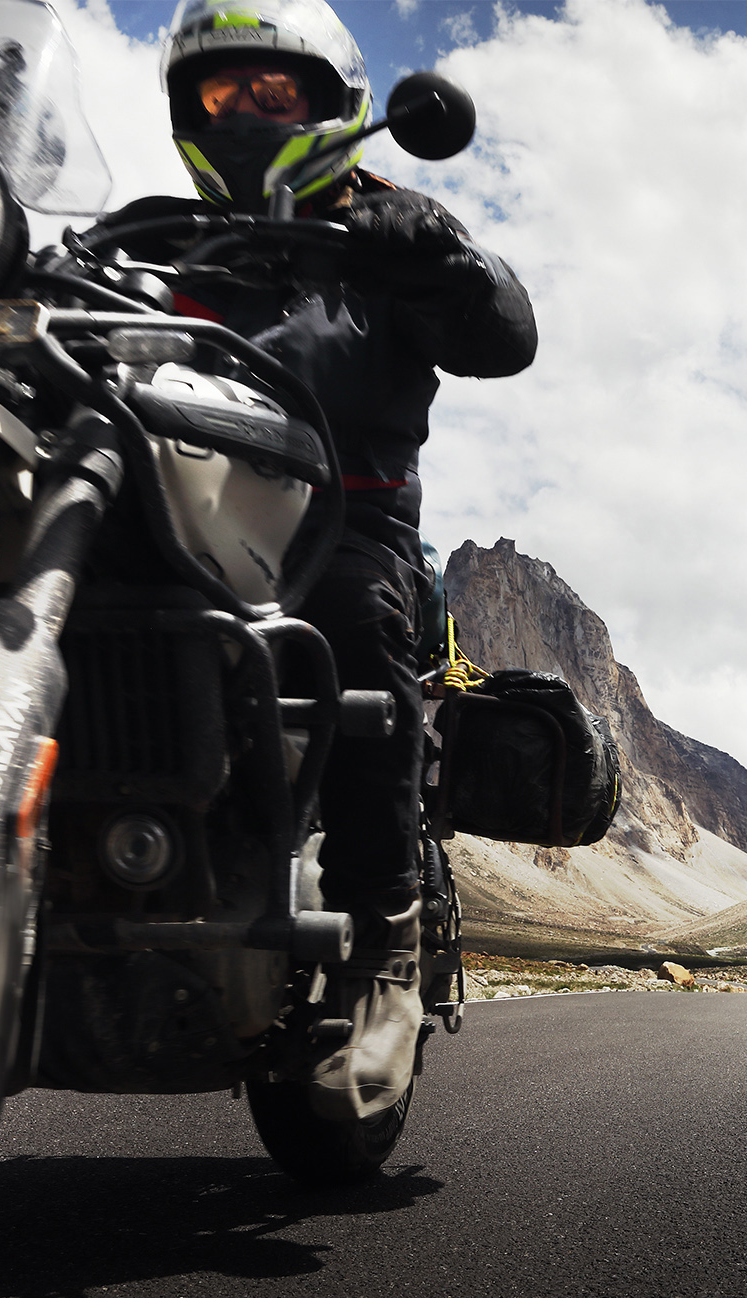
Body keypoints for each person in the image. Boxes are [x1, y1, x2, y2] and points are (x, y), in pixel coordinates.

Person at [92, 0, 535, 1115]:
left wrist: (439, 257)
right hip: (172, 507)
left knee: (346, 617)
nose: (241, 112)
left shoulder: (389, 230)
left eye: (268, 92)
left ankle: (381, 941)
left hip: (342, 521)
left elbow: (504, 334)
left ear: (332, 104)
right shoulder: (152, 235)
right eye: (217, 92)